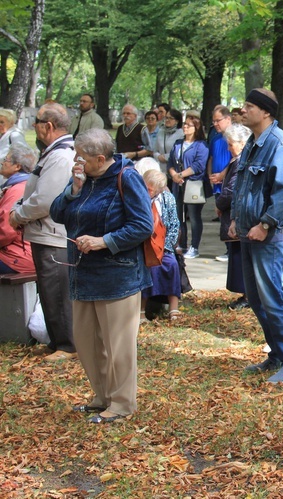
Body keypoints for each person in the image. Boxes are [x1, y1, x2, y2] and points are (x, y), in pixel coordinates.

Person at [49, 128, 153, 424]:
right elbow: (57, 213)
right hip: (83, 274)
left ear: (99, 158)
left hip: (117, 277)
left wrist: (103, 240)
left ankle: (121, 404)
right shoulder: (84, 179)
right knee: (87, 341)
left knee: (117, 344)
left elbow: (142, 225)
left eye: (81, 157)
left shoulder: (126, 177)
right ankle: (102, 396)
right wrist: (74, 189)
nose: (76, 162)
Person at [229, 88, 283, 384]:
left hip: (268, 235)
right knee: (258, 300)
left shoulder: (279, 144)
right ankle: (277, 354)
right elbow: (242, 184)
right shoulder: (253, 142)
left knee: (272, 298)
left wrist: (266, 224)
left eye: (249, 106)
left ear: (265, 112)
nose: (244, 110)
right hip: (249, 232)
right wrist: (236, 218)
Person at [9, 102, 76, 362]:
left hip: (53, 233)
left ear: (48, 126)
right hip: (43, 232)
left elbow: (45, 200)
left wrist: (18, 215)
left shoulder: (61, 156)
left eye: (36, 121)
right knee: (48, 289)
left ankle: (68, 345)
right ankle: (57, 340)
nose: (33, 126)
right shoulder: (54, 152)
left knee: (57, 288)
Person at [216, 124, 251, 310]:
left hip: (238, 217)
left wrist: (219, 203)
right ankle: (245, 294)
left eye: (231, 144)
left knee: (241, 258)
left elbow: (232, 191)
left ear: (242, 143)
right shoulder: (237, 160)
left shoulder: (242, 162)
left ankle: (247, 296)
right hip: (233, 215)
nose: (229, 148)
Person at [139, 169, 182, 323]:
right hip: (142, 245)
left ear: (158, 190)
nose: (147, 192)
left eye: (150, 190)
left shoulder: (167, 198)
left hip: (163, 245)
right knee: (146, 266)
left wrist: (165, 248)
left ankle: (173, 309)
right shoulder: (137, 197)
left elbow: (174, 225)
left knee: (171, 264)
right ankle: (141, 312)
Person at [167, 114, 209, 259]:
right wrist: (174, 175)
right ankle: (181, 243)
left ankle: (194, 246)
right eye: (184, 124)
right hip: (177, 184)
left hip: (194, 184)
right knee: (179, 216)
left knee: (194, 216)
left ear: (196, 128)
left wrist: (181, 175)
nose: (185, 127)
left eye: (189, 125)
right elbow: (170, 162)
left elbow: (198, 165)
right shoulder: (178, 143)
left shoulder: (201, 145)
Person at [0, 143, 36, 273]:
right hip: (21, 253)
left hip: (17, 257)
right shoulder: (24, 184)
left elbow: (7, 231)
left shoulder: (17, 189)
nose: (2, 162)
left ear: (17, 166)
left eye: (6, 160)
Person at [207, 106, 233, 195]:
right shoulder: (215, 139)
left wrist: (222, 175)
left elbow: (237, 160)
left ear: (228, 119)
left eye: (218, 120)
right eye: (213, 121)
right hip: (217, 184)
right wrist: (210, 176)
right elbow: (211, 159)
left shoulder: (235, 138)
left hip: (230, 185)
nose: (215, 124)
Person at [152, 109, 184, 174]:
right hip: (160, 168)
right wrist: (158, 156)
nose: (167, 120)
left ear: (177, 121)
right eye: (166, 117)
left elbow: (181, 152)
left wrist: (166, 157)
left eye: (171, 118)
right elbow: (155, 150)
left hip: (174, 170)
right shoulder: (160, 131)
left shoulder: (181, 133)